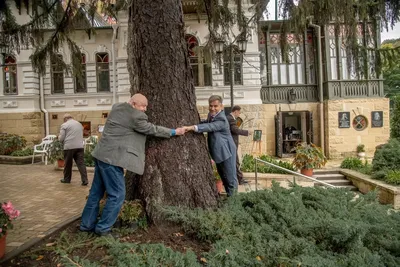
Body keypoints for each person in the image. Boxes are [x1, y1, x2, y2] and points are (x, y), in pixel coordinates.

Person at [79, 93, 185, 236]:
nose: (145, 109)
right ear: (133, 104)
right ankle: (103, 229)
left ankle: (86, 226)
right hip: (112, 159)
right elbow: (151, 129)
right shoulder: (136, 116)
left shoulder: (117, 108)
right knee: (117, 195)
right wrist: (174, 131)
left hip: (101, 155)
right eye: (143, 106)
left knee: (95, 193)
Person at [184, 95, 237, 196]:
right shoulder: (212, 115)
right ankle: (230, 198)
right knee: (223, 176)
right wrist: (198, 123)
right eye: (210, 106)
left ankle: (234, 202)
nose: (212, 108)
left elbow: (211, 126)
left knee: (230, 178)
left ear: (221, 106)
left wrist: (193, 127)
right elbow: (207, 122)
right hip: (219, 152)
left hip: (227, 152)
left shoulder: (222, 119)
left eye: (215, 106)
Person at [59, 114, 88, 186]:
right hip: (80, 146)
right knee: (81, 164)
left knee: (68, 164)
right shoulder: (79, 124)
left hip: (69, 147)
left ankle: (67, 179)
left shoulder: (64, 125)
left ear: (65, 119)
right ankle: (85, 180)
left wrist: (59, 138)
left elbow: (61, 138)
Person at [226, 105, 251, 185]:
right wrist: (247, 132)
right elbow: (235, 130)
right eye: (239, 113)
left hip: (231, 143)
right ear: (235, 111)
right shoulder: (230, 118)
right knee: (235, 162)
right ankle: (240, 180)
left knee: (234, 162)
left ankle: (238, 179)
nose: (239, 115)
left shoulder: (230, 118)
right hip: (231, 144)